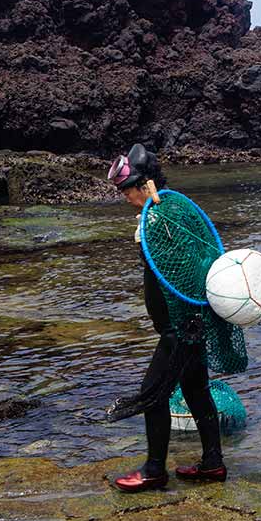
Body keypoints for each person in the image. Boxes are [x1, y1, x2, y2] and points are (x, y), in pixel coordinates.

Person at [107, 144, 227, 492]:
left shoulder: (160, 218)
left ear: (144, 186)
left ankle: (154, 470)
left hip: (179, 328)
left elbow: (185, 270)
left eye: (126, 191)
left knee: (152, 393)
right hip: (192, 323)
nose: (125, 198)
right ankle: (212, 464)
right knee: (196, 390)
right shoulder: (169, 212)